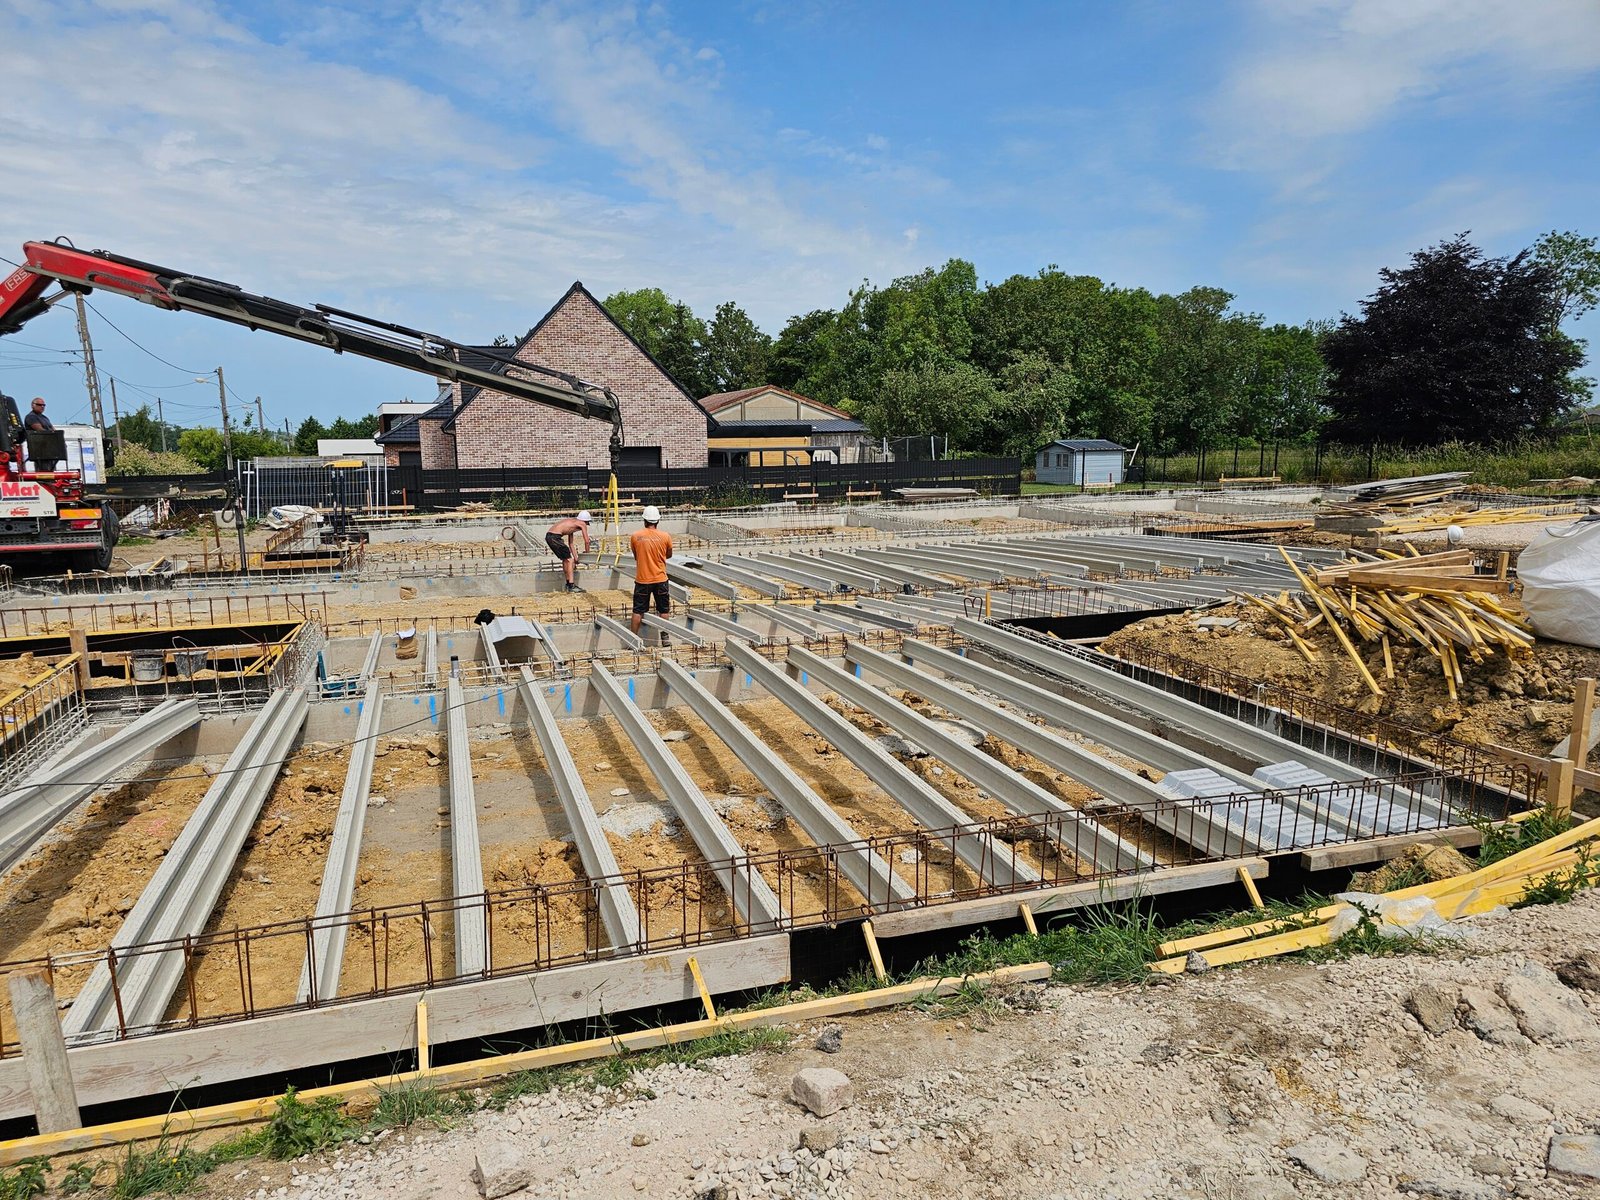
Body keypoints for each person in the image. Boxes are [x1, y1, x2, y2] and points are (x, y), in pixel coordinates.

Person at [629, 505, 674, 644]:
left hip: (643, 580)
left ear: (644, 520)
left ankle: (633, 640)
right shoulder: (665, 536)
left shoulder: (636, 537)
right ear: (657, 521)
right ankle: (665, 638)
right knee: (664, 610)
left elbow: (636, 556)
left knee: (638, 611)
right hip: (661, 579)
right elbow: (669, 555)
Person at [545, 511, 592, 592]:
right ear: (586, 521)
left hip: (550, 536)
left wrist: (576, 558)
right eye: (587, 523)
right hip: (555, 537)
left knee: (566, 560)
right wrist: (587, 554)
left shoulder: (572, 523)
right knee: (569, 560)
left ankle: (568, 584)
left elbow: (571, 544)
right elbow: (587, 541)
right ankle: (571, 586)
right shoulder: (582, 524)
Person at [22, 397, 58, 471]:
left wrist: (55, 435)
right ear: (33, 405)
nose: (42, 406)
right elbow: (40, 430)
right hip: (39, 447)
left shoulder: (45, 418)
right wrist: (51, 433)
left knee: (51, 468)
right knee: (43, 469)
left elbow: (53, 429)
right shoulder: (31, 417)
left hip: (49, 447)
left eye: (44, 405)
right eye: (39, 404)